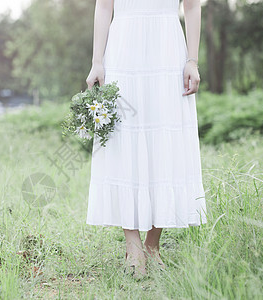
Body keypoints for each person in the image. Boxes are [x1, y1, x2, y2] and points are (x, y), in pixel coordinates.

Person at [85, 0, 207, 278]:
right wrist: (97, 61)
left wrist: (192, 60)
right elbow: (104, 6)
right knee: (122, 139)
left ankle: (153, 246)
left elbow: (192, 6)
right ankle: (133, 246)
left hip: (167, 49)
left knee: (164, 142)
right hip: (123, 48)